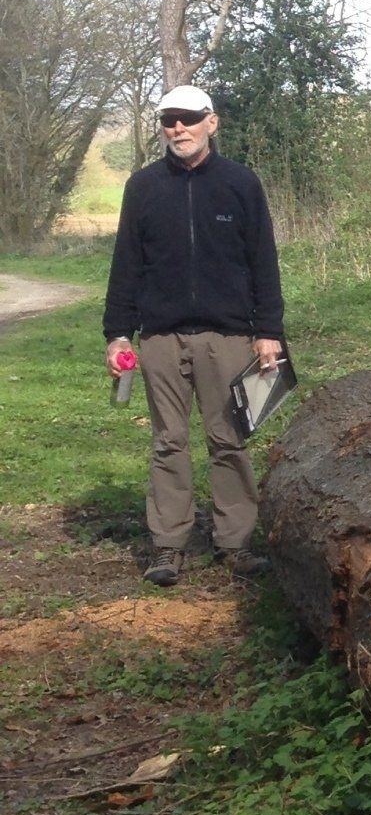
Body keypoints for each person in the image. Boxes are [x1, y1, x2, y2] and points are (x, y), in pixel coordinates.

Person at [102, 85, 286, 586]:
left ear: (212, 122)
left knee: (229, 441)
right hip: (160, 338)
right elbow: (126, 264)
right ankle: (168, 545)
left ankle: (236, 543)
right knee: (168, 442)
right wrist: (118, 334)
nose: (178, 127)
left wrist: (269, 331)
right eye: (169, 119)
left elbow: (263, 262)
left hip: (228, 337)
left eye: (188, 117)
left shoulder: (240, 183)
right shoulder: (143, 187)